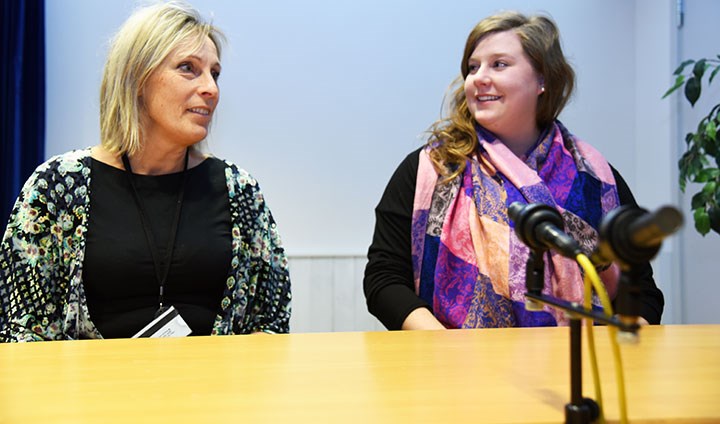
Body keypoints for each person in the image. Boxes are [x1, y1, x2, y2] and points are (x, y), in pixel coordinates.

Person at [0, 1, 291, 341]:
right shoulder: (56, 187)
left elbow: (270, 321)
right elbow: (21, 330)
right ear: (137, 78)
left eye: (215, 73)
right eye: (188, 68)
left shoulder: (238, 189)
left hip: (212, 391)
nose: (211, 88)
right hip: (92, 391)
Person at [363, 11, 664, 330]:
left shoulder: (594, 179)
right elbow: (384, 278)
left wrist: (621, 342)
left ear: (543, 79)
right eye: (472, 67)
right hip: (450, 368)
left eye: (499, 64)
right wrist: (441, 345)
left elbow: (643, 294)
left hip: (576, 367)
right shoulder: (430, 169)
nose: (478, 78)